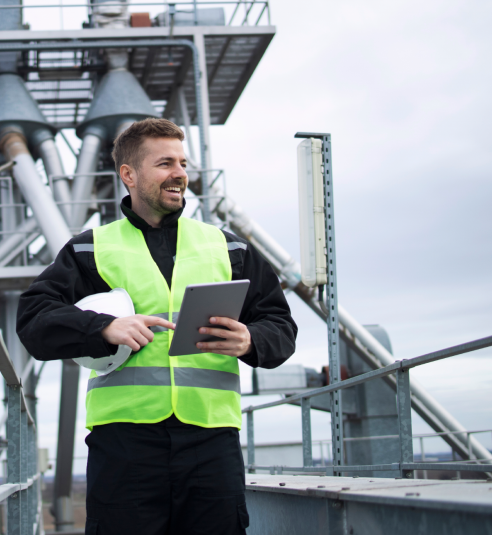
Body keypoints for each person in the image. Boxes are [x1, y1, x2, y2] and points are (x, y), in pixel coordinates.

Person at [16, 118, 297, 535]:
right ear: (129, 175)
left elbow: (281, 325)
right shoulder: (90, 249)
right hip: (124, 445)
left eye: (182, 163)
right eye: (165, 163)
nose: (179, 173)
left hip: (211, 441)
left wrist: (251, 339)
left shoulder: (229, 247)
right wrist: (102, 328)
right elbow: (33, 319)